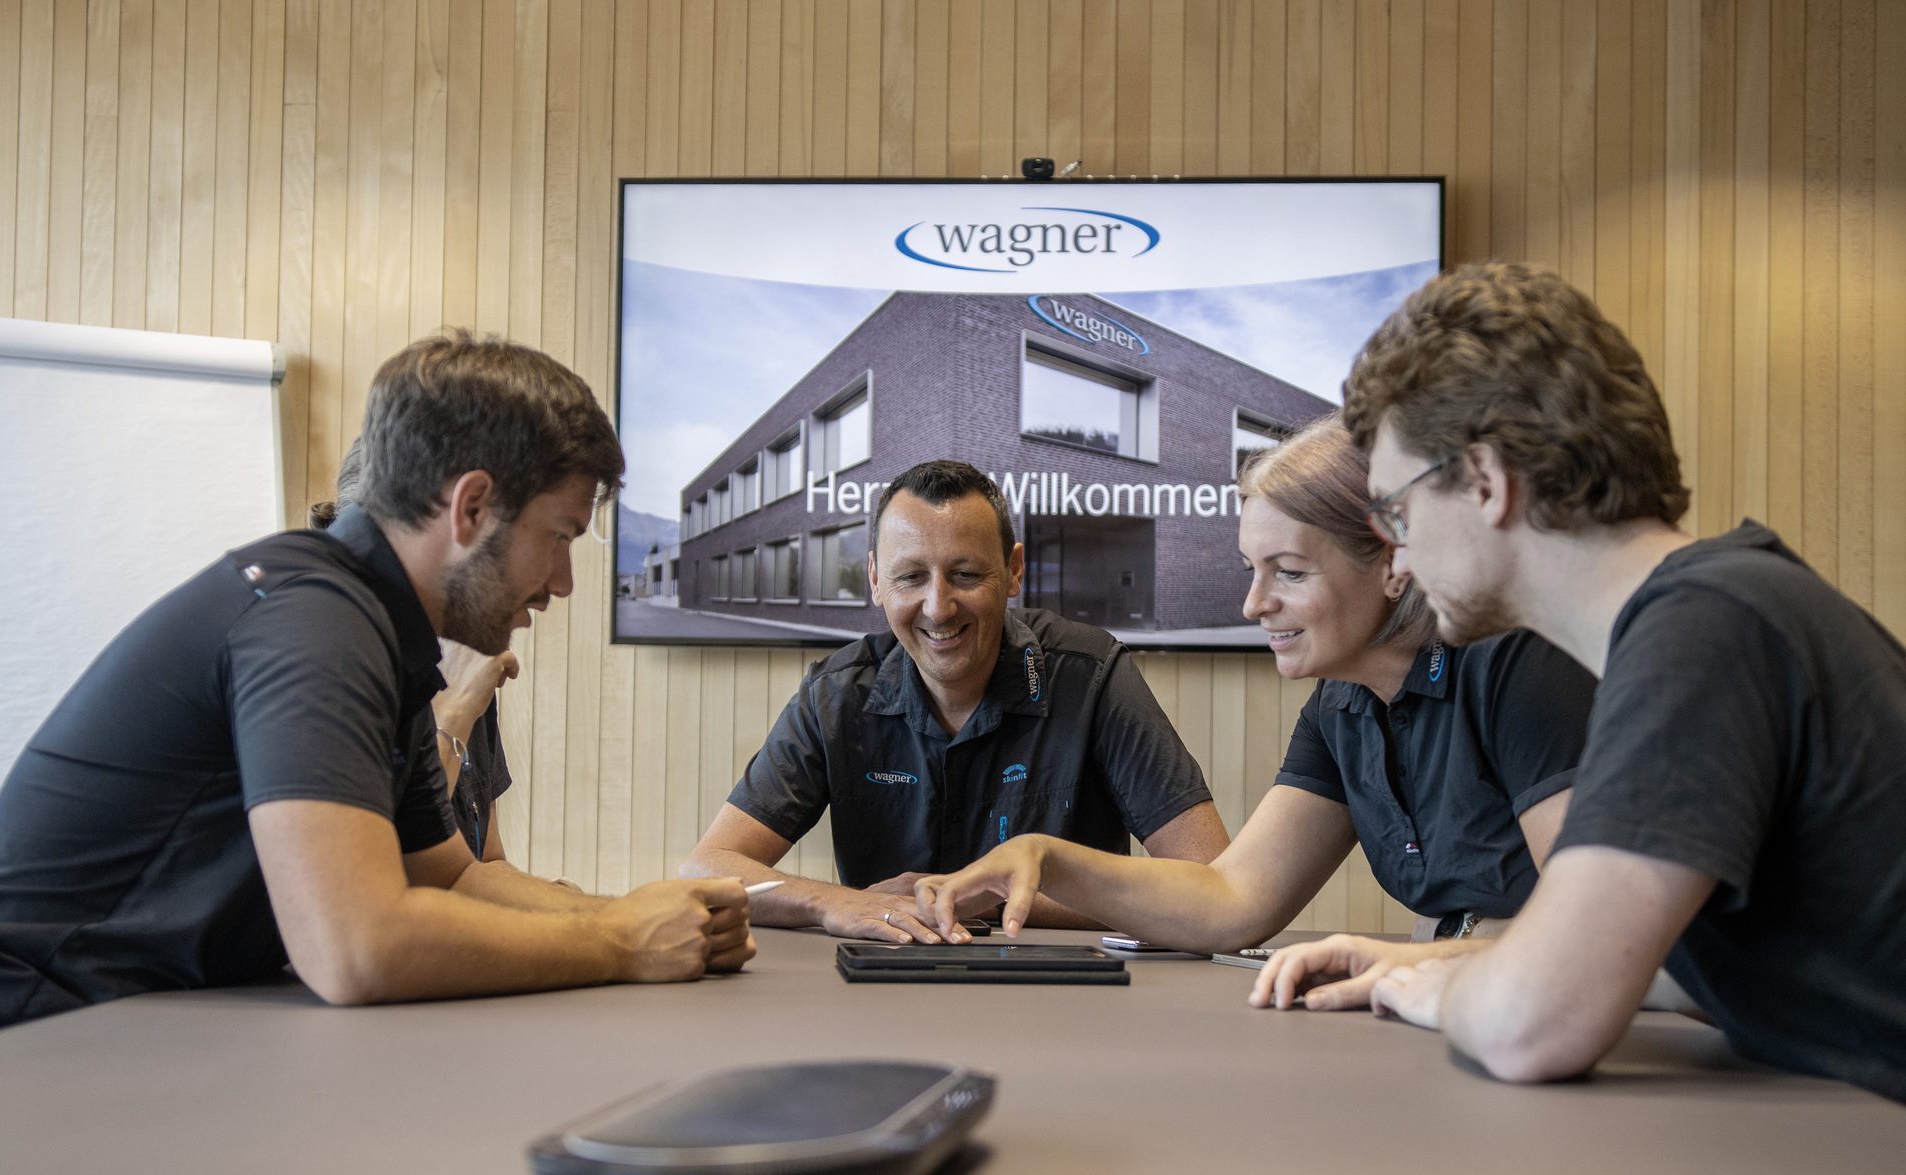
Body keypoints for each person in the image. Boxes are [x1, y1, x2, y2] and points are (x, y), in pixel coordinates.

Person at [0, 331, 754, 1030]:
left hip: (125, 1027)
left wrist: (645, 914)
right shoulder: (310, 623)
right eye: (558, 537)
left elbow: (450, 880)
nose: (563, 581)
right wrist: (619, 941)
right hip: (33, 1032)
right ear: (472, 507)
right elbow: (355, 948)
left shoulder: (375, 630)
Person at [1344, 262, 1906, 1102]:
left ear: (1488, 482)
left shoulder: (1706, 627)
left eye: (1396, 510)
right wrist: (1439, 957)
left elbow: (1535, 1027)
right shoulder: (1715, 609)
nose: (1400, 552)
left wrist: (1435, 991)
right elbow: (1691, 970)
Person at [914, 421, 1599, 1008]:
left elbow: (1586, 931)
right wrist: (1042, 857)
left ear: (1395, 561)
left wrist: (1396, 958)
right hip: (1474, 1006)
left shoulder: (1520, 665)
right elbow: (1232, 899)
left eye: (1290, 573)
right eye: (1251, 569)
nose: (1253, 605)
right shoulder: (1344, 702)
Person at [679, 459, 1230, 943]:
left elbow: (1211, 881)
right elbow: (705, 870)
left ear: (1013, 571)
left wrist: (985, 894)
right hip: (884, 997)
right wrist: (833, 903)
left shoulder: (1091, 674)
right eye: (910, 577)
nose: (938, 607)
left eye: (965, 575)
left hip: (1066, 1005)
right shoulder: (835, 693)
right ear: (875, 580)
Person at [313, 440, 518, 863]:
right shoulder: (327, 656)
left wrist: (587, 914)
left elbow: (486, 861)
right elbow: (368, 870)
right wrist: (457, 710)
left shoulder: (457, 655)